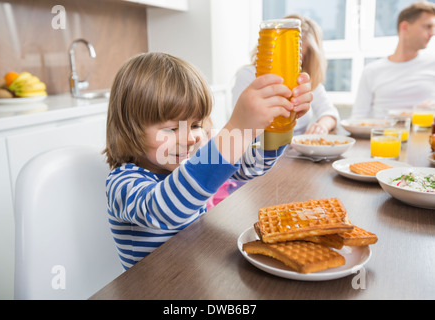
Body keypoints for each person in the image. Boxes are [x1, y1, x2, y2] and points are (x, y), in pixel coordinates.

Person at [103, 52, 313, 270]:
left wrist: (279, 124)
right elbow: (165, 209)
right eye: (171, 129)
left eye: (195, 125)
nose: (190, 137)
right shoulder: (122, 183)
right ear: (129, 130)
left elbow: (250, 166)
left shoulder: (188, 161)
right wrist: (238, 129)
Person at [232, 14, 340, 135]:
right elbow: (239, 131)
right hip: (257, 151)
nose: (286, 63)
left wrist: (321, 126)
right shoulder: (248, 76)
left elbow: (330, 112)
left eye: (295, 57)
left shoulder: (303, 78)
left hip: (296, 153)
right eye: (283, 53)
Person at [352, 1, 435, 118]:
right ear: (405, 27)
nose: (432, 33)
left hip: (425, 134)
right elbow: (358, 117)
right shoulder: (372, 70)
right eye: (428, 26)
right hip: (384, 135)